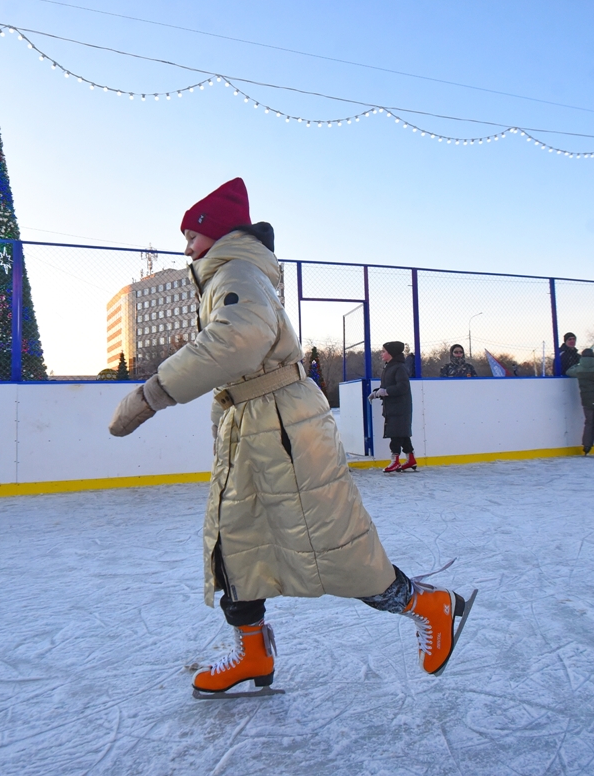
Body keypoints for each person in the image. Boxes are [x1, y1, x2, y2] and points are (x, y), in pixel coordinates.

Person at [108, 178, 473, 696]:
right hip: (255, 428)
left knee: (335, 548)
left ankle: (427, 605)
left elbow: (237, 340)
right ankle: (252, 651)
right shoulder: (229, 276)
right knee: (233, 545)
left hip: (283, 432)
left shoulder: (236, 272)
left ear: (218, 234)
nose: (186, 246)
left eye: (192, 235)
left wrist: (152, 393)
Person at [369, 341, 416, 473]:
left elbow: (403, 387)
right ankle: (410, 458)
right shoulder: (389, 367)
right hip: (393, 406)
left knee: (395, 435)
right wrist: (377, 392)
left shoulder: (399, 368)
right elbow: (388, 385)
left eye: (384, 351)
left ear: (391, 353)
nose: (381, 353)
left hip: (400, 407)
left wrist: (385, 392)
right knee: (402, 434)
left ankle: (395, 461)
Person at [566, 347, 594, 457]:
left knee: (589, 422)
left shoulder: (579, 369)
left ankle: (586, 446)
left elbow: (568, 371)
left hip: (587, 400)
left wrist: (577, 365)